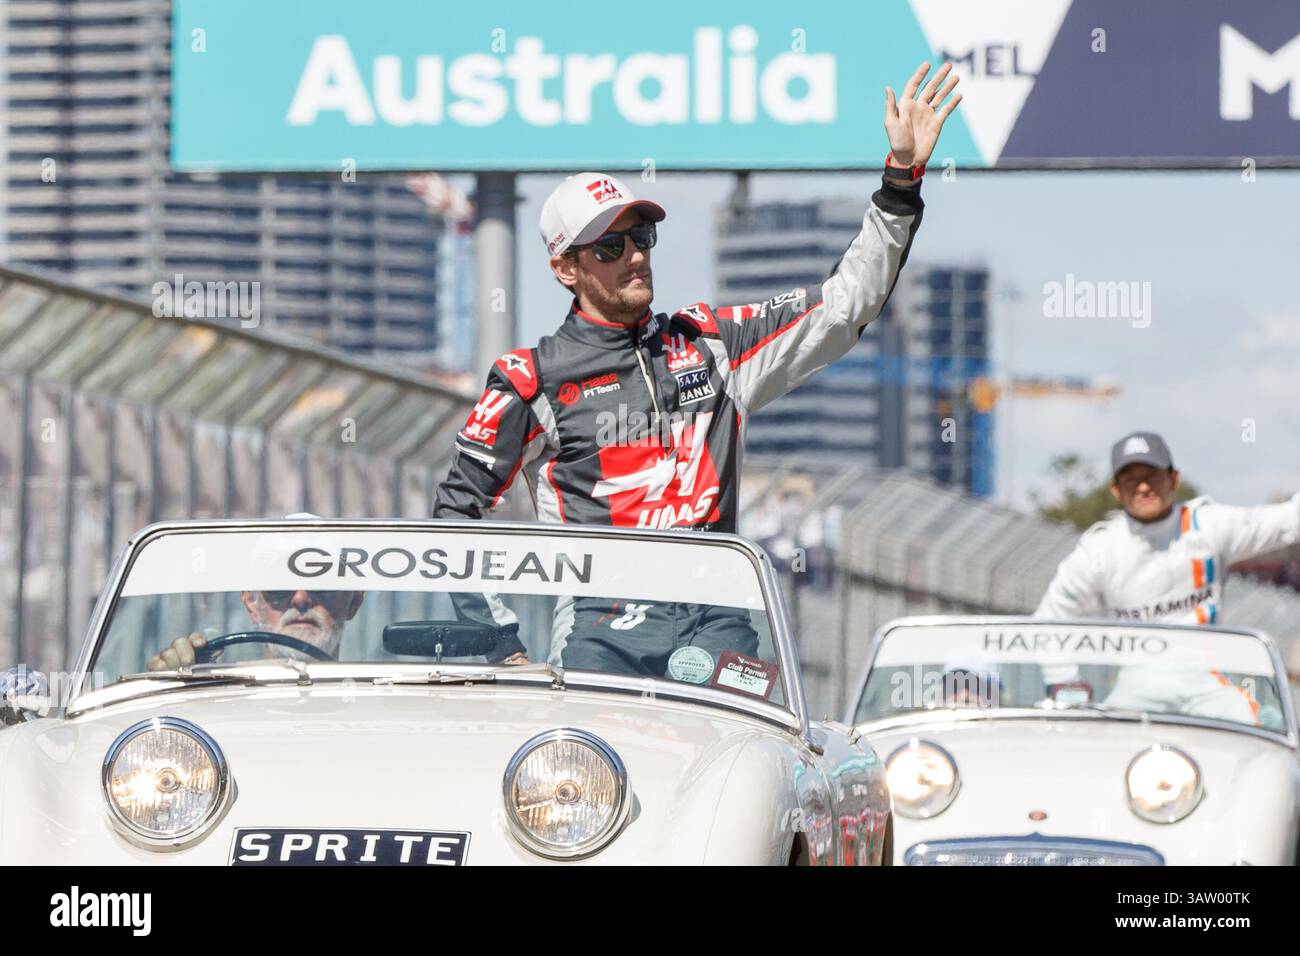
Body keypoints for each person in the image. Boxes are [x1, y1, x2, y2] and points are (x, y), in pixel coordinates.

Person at [435, 61, 961, 676]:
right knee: (585, 744)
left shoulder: (709, 340)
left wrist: (900, 181)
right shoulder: (530, 378)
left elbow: (844, 306)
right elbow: (457, 515)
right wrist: (500, 645)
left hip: (718, 618)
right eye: (610, 246)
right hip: (600, 631)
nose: (634, 257)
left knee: (748, 740)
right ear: (566, 268)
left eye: (641, 238)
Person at [1035, 430, 1299, 722]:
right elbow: (1048, 620)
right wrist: (1067, 686)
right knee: (1102, 741)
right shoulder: (1099, 549)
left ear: (1174, 479)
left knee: (1263, 731)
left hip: (1209, 681)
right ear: (1115, 489)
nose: (1143, 487)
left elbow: (1288, 521)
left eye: (1152, 475)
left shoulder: (1208, 525)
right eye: (1131, 479)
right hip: (1136, 686)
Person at [147, 589, 363, 671]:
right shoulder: (214, 700)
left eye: (323, 586)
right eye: (278, 586)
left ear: (354, 601)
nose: (300, 598)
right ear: (251, 603)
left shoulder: (376, 703)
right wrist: (174, 682)